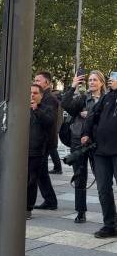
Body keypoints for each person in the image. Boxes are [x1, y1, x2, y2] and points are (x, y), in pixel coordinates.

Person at [62, 70, 106, 223]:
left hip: (99, 143)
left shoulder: (107, 99)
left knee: (102, 178)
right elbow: (65, 104)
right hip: (78, 141)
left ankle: (108, 212)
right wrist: (73, 86)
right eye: (90, 80)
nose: (92, 82)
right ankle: (81, 212)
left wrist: (93, 115)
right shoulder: (82, 98)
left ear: (101, 82)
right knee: (80, 177)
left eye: (95, 80)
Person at [81, 71, 117, 238]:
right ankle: (110, 224)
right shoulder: (107, 97)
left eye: (114, 78)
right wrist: (86, 132)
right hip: (101, 151)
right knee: (103, 188)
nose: (112, 80)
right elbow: (92, 116)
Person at [32, 71, 60, 209]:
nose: (35, 82)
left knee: (39, 173)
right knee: (41, 172)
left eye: (38, 80)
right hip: (41, 141)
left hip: (45, 141)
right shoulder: (44, 96)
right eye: (35, 80)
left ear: (47, 83)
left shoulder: (49, 98)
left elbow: (49, 120)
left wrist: (36, 109)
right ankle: (50, 200)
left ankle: (50, 200)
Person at [26, 83, 55, 219]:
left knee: (31, 180)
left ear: (41, 96)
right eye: (30, 92)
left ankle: (27, 208)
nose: (32, 95)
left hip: (36, 151)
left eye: (35, 93)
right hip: (21, 150)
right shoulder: (21, 109)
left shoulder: (47, 109)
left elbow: (49, 122)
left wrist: (36, 109)